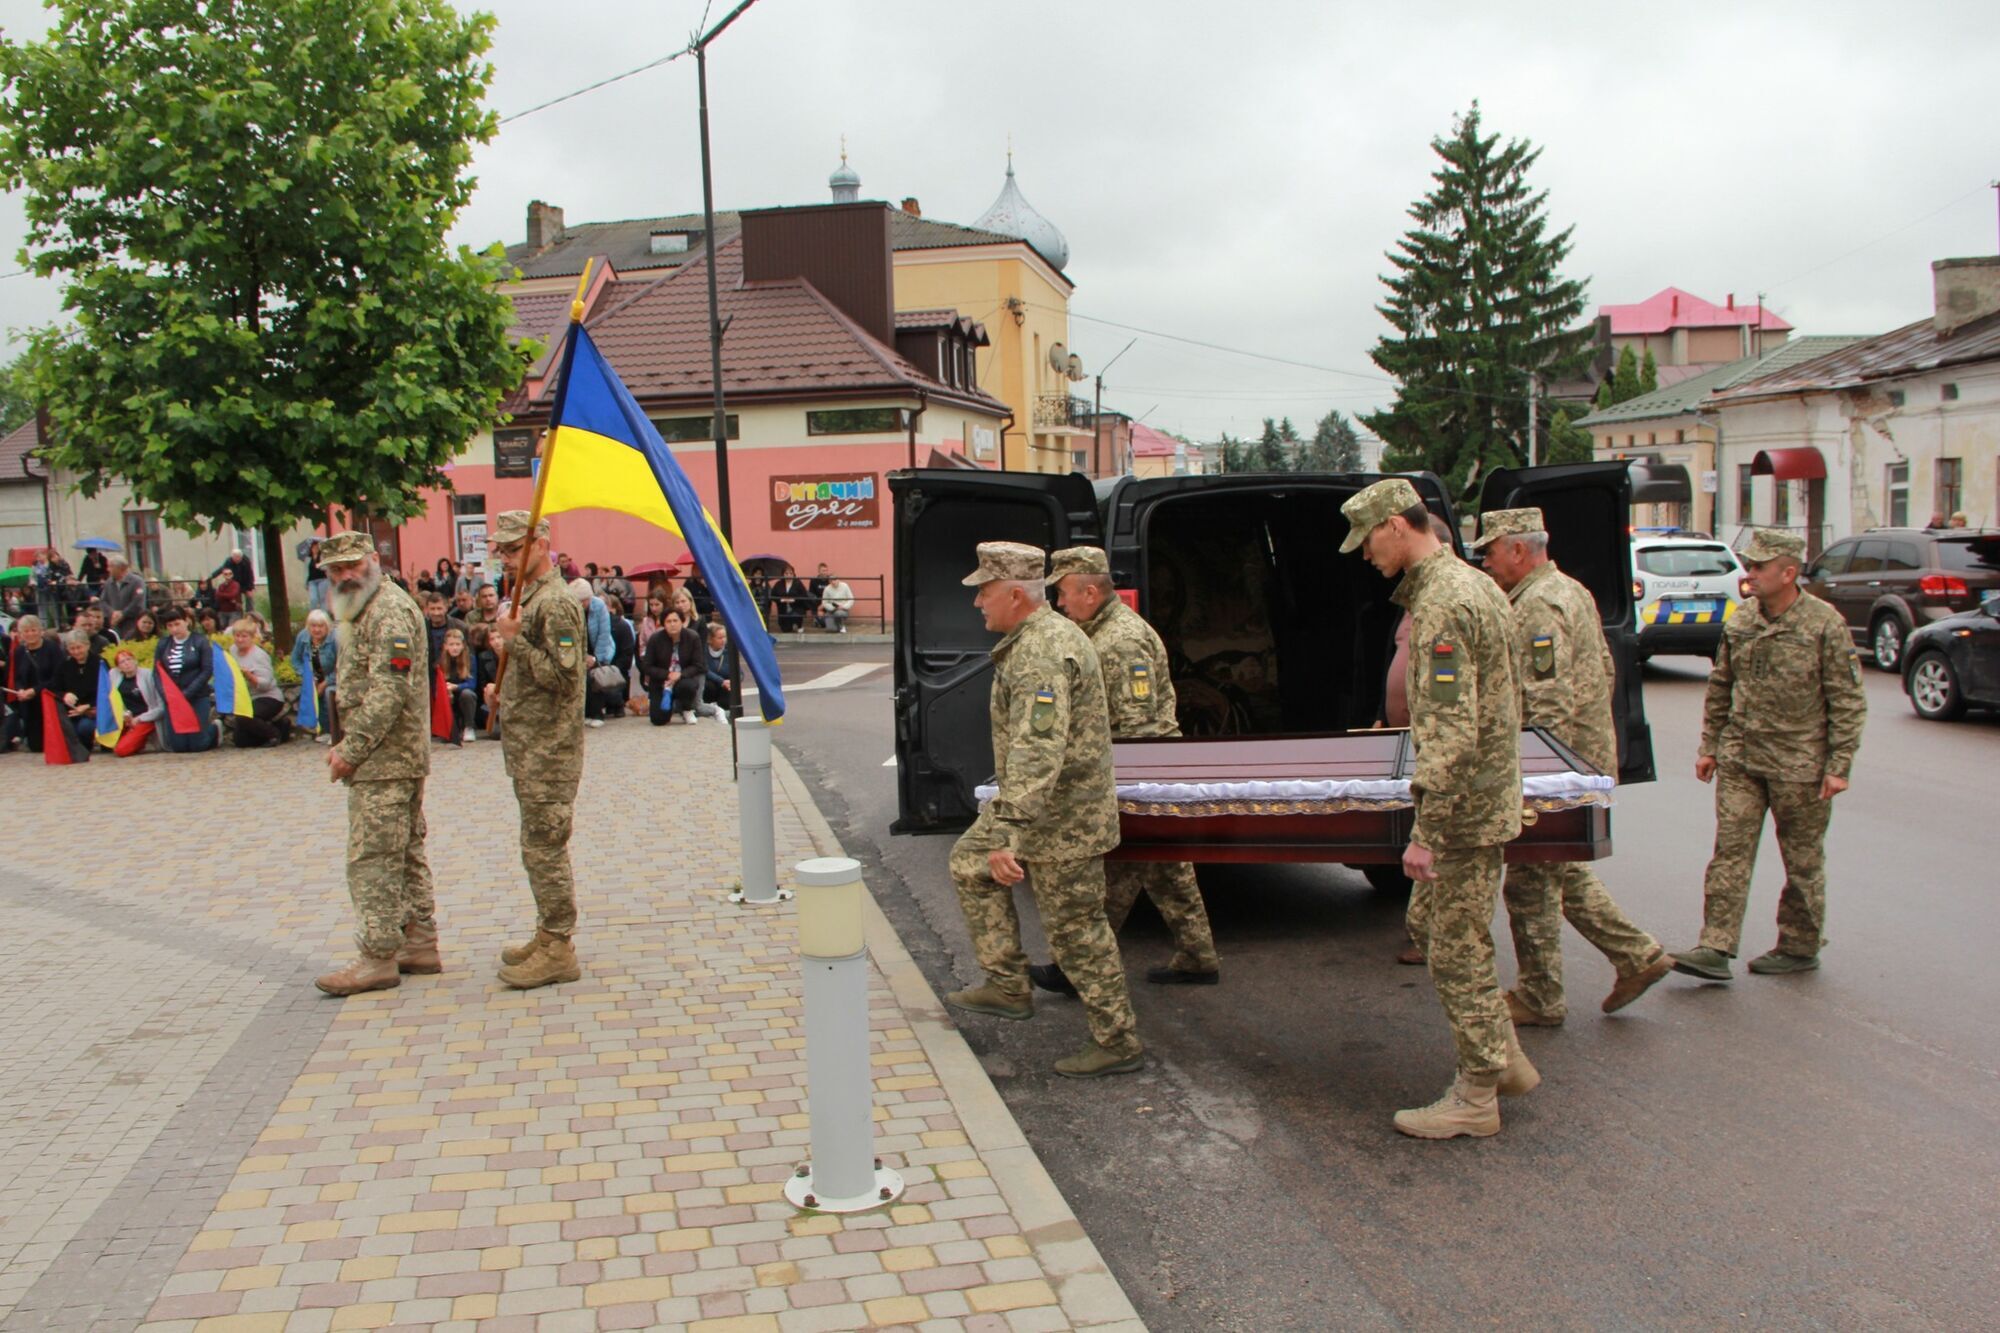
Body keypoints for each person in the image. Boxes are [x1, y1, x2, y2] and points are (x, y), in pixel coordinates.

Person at [1341, 478, 1537, 1139]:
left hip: (1463, 812)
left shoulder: (1446, 603)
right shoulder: (1468, 583)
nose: (1365, 553)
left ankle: (1478, 1094)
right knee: (1435, 928)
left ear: (1397, 526)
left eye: (1368, 539)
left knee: (1454, 946)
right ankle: (1502, 1056)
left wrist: (1426, 832)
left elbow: (1453, 730)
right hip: (1481, 800)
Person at [945, 541, 1145, 1079]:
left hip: (1064, 819)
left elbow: (1039, 750)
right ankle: (1009, 985)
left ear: (1015, 594)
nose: (977, 603)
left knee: (1078, 933)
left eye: (983, 591)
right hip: (1042, 809)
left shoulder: (1041, 651)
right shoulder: (1036, 638)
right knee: (969, 862)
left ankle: (1118, 1040)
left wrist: (1007, 832)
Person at [1471, 508, 1671, 1023]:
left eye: (1490, 550)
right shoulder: (1571, 590)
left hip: (1554, 768)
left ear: (1518, 549)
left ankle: (1541, 996)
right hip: (1577, 761)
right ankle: (1636, 956)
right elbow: (1605, 670)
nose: (1486, 562)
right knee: (1555, 871)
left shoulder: (1538, 605)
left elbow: (1547, 703)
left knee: (1531, 880)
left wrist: (1534, 776)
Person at [1670, 528, 1867, 982]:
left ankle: (1799, 945)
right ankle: (1715, 946)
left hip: (1799, 763)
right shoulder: (1743, 620)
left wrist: (1839, 767)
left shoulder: (1823, 624)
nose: (1750, 573)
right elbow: (1721, 685)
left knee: (1802, 860)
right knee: (1729, 853)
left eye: (1759, 567)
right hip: (1742, 758)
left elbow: (1848, 700)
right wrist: (1710, 746)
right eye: (1750, 565)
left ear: (1789, 572)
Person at [1028, 546, 1221, 995]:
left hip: (1138, 774)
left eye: (1063, 593)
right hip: (1142, 773)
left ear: (1090, 591)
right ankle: (1197, 956)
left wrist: (1120, 787)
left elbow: (1138, 726)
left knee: (1117, 869)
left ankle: (1075, 967)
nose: (1060, 603)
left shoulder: (1121, 639)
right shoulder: (1102, 631)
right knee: (1165, 869)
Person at [315, 531, 439, 995]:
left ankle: (377, 956)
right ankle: (417, 943)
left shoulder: (389, 611)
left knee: (373, 858)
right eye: (335, 570)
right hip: (388, 758)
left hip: (386, 758)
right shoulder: (366, 608)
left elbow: (390, 691)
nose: (346, 575)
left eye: (353, 565)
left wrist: (350, 750)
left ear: (374, 559)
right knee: (404, 852)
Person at [485, 510, 588, 989]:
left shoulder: (557, 603)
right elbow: (534, 673)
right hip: (529, 748)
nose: (506, 557)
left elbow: (566, 680)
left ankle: (560, 946)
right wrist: (502, 691)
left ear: (541, 543)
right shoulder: (526, 596)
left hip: (550, 752)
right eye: (502, 550)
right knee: (536, 848)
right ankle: (547, 934)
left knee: (545, 848)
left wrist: (515, 644)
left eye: (513, 548)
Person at [154, 605, 218, 753]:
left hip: (196, 695)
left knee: (198, 745)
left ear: (186, 621)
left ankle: (214, 729)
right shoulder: (163, 644)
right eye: (170, 625)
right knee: (178, 746)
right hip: (173, 698)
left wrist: (189, 692)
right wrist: (165, 694)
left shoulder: (200, 641)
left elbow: (207, 669)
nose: (174, 629)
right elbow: (157, 671)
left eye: (177, 624)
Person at [225, 618, 291, 747]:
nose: (240, 640)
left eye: (244, 636)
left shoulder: (259, 656)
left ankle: (273, 734)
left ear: (252, 637)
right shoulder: (233, 650)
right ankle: (281, 728)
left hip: (268, 697)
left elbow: (266, 684)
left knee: (244, 716)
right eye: (237, 636)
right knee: (240, 741)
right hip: (248, 697)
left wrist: (250, 676)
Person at [4, 614, 65, 752]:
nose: (30, 634)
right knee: (36, 746)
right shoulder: (19, 651)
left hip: (49, 697)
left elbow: (57, 677)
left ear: (40, 631)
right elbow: (17, 677)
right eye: (26, 631)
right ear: (21, 634)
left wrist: (35, 690)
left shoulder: (52, 649)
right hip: (29, 703)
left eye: (33, 630)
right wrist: (20, 690)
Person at [641, 608, 703, 724]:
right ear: (663, 624)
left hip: (683, 680)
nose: (672, 624)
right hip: (662, 682)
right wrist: (667, 674)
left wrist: (680, 674)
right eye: (668, 621)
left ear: (682, 622)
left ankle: (686, 709)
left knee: (688, 686)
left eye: (675, 620)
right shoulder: (655, 639)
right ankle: (671, 707)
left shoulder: (692, 637)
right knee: (658, 720)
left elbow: (698, 665)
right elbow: (647, 666)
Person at [570, 577, 616, 727]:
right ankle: (586, 712)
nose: (581, 604)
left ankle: (597, 713)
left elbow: (604, 633)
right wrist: (582, 656)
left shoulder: (600, 606)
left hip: (599, 648)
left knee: (595, 679)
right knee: (581, 681)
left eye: (584, 600)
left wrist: (596, 658)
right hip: (580, 650)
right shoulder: (570, 609)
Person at [291, 608, 340, 743]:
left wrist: (325, 683)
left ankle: (334, 732)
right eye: (313, 626)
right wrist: (307, 676)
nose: (316, 630)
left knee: (328, 694)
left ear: (327, 627)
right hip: (312, 678)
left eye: (320, 626)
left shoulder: (335, 639)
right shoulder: (303, 637)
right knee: (311, 695)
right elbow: (295, 660)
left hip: (334, 677)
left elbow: (340, 666)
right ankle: (322, 730)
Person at [106, 647, 165, 756]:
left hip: (146, 718)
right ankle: (138, 742)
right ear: (119, 668)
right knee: (110, 744)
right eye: (122, 662)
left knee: (121, 750)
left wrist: (139, 718)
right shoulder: (117, 678)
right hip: (127, 718)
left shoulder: (148, 675)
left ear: (135, 661)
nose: (127, 663)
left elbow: (161, 708)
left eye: (129, 659)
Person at [53, 629, 100, 750]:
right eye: (72, 649)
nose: (76, 652)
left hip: (93, 711)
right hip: (72, 712)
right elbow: (54, 688)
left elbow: (106, 691)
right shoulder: (64, 665)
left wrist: (88, 705)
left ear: (87, 645)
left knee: (84, 728)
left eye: (79, 647)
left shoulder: (99, 663)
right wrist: (64, 695)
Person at [438, 625, 481, 743]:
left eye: (457, 644)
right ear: (445, 646)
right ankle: (448, 728)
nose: (455, 648)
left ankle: (469, 727)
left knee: (467, 694)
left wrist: (456, 687)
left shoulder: (470, 659)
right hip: (448, 695)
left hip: (463, 694)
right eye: (451, 645)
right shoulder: (441, 661)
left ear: (463, 645)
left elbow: (472, 684)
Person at [602, 593, 636, 718]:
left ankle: (616, 704)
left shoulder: (622, 626)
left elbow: (627, 654)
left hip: (617, 670)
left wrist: (611, 670)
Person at [420, 590, 465, 668]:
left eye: (439, 608)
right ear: (427, 609)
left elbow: (468, 655)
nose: (436, 613)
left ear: (446, 608)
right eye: (432, 609)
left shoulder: (460, 627)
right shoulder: (421, 628)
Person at [101, 556, 147, 633]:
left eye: (111, 566)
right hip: (115, 624)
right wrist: (112, 612)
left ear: (121, 568)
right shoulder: (108, 583)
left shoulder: (137, 581)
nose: (108, 569)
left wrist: (123, 614)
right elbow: (103, 601)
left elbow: (138, 602)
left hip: (133, 623)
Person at [701, 621, 734, 715]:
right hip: (710, 685)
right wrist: (721, 681)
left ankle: (726, 712)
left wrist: (733, 681)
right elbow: (705, 670)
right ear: (710, 639)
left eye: (724, 637)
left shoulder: (729, 651)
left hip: (724, 685)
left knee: (729, 689)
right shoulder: (703, 651)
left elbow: (739, 672)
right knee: (708, 686)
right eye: (720, 638)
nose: (723, 640)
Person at [773, 565, 811, 633]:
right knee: (786, 630)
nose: (788, 575)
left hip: (796, 607)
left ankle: (798, 625)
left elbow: (804, 595)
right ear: (783, 574)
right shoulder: (778, 584)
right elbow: (773, 595)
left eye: (790, 573)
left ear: (793, 574)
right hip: (783, 609)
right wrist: (781, 600)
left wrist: (794, 600)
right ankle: (790, 625)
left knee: (796, 616)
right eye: (786, 573)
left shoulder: (798, 583)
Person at [304, 538, 329, 613]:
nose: (315, 549)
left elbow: (327, 567)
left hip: (322, 580)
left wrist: (320, 565)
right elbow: (306, 571)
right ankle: (313, 617)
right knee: (313, 600)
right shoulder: (308, 559)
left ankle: (324, 616)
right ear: (311, 549)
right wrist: (306, 582)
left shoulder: (322, 556)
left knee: (322, 599)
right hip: (312, 581)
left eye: (317, 547)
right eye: (313, 547)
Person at [808, 562, 831, 628]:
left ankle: (822, 619)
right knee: (808, 595)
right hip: (817, 604)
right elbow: (811, 595)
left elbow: (832, 595)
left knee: (826, 624)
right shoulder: (813, 580)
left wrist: (824, 604)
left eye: (826, 570)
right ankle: (817, 618)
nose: (825, 573)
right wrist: (818, 610)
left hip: (827, 603)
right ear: (819, 571)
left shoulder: (830, 580)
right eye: (823, 571)